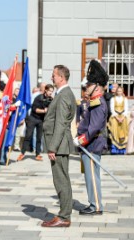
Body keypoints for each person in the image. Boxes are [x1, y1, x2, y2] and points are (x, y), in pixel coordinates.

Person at [41, 65, 76, 228]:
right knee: (62, 179)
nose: (51, 78)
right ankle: (64, 214)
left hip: (59, 145)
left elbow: (61, 123)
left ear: (61, 77)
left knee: (61, 180)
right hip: (60, 144)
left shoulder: (63, 95)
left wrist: (52, 147)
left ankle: (64, 216)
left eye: (54, 75)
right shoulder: (64, 94)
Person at [73, 59, 108, 215]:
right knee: (90, 175)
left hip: (93, 143)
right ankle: (94, 203)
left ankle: (96, 206)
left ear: (97, 86)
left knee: (92, 177)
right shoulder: (94, 102)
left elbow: (93, 128)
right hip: (89, 143)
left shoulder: (99, 103)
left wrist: (80, 139)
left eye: (89, 84)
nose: (86, 87)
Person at [17, 84, 54, 161]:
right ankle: (22, 153)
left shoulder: (50, 99)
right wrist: (44, 111)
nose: (51, 93)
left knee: (39, 137)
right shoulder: (39, 98)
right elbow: (35, 109)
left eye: (52, 91)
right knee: (28, 136)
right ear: (46, 90)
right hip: (33, 119)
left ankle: (37, 154)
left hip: (41, 120)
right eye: (50, 91)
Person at [107, 86, 129, 154]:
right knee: (114, 131)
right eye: (118, 91)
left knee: (124, 132)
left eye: (120, 91)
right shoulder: (113, 99)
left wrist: (122, 117)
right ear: (116, 91)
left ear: (122, 92)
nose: (119, 92)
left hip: (123, 117)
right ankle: (114, 149)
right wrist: (117, 117)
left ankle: (122, 149)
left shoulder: (125, 99)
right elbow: (112, 109)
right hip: (115, 117)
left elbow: (126, 109)